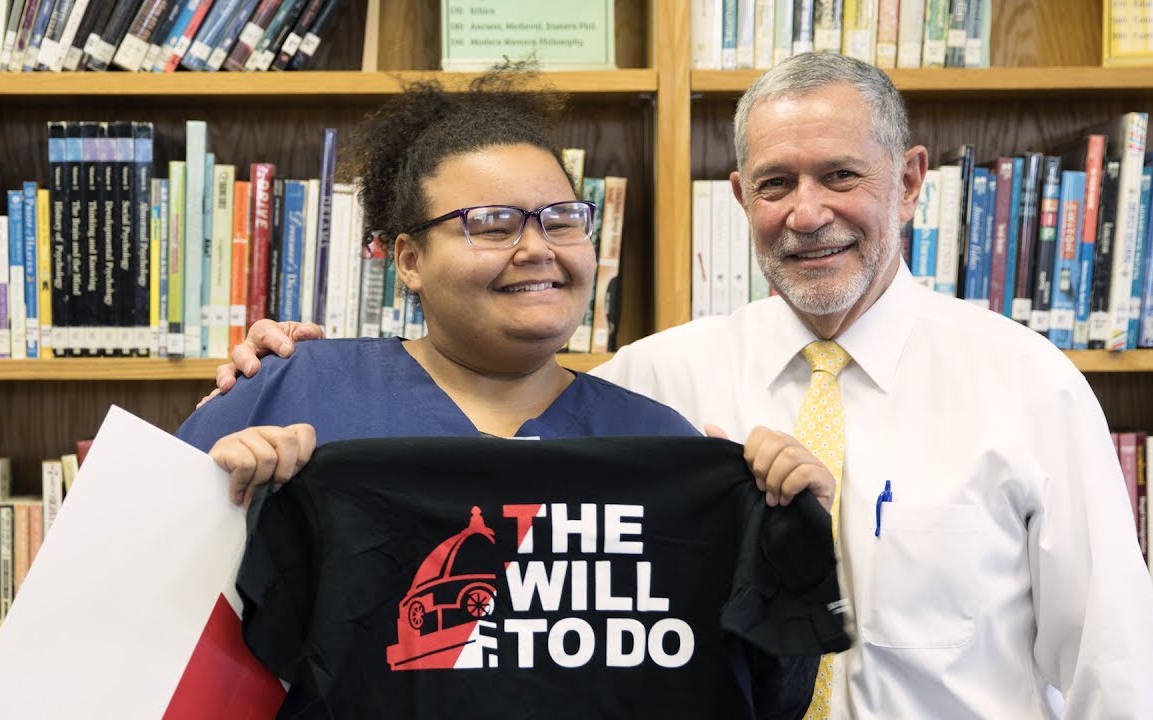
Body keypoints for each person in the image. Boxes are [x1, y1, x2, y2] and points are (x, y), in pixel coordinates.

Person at [215, 52, 1153, 717]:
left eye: (842, 175)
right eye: (774, 184)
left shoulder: (1027, 384)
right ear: (740, 198)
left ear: (911, 181)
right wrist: (267, 388)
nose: (808, 214)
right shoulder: (648, 389)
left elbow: (1111, 667)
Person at [176, 69, 827, 720]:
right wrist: (221, 504)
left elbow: (754, 694)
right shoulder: (289, 388)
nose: (537, 249)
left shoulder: (662, 446)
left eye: (562, 219)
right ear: (408, 259)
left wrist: (789, 538)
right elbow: (132, 608)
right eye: (491, 224)